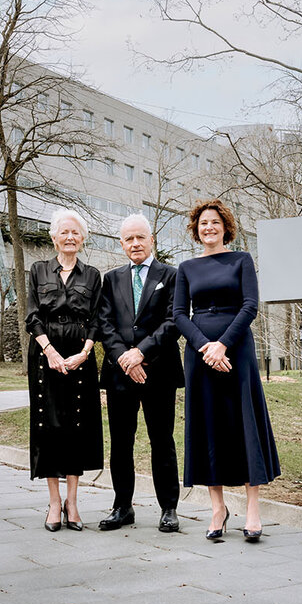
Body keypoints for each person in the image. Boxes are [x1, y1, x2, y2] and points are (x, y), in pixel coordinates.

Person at [173, 199, 280, 541]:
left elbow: (250, 305)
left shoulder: (241, 260)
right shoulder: (186, 268)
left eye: (214, 223)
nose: (209, 228)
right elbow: (178, 315)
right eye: (203, 223)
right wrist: (206, 346)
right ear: (196, 229)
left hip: (237, 351)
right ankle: (217, 508)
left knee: (243, 423)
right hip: (200, 354)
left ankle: (252, 510)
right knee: (208, 427)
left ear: (225, 227)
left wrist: (223, 345)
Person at [97, 214, 184, 532]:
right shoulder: (112, 278)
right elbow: (105, 324)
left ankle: (169, 509)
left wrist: (141, 353)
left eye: (140, 238)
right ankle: (123, 507)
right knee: (121, 442)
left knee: (162, 440)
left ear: (151, 240)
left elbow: (174, 319)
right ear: (121, 243)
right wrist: (124, 358)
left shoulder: (171, 275)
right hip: (120, 375)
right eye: (128, 239)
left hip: (158, 372)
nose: (135, 244)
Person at [25, 208, 102, 531]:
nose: (70, 237)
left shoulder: (93, 275)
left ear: (82, 239)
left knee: (76, 427)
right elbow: (32, 315)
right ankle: (54, 503)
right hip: (45, 357)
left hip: (80, 359)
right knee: (49, 426)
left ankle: (73, 502)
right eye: (64, 232)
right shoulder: (38, 270)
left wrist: (84, 353)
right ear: (53, 237)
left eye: (75, 233)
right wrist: (50, 351)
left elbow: (97, 318)